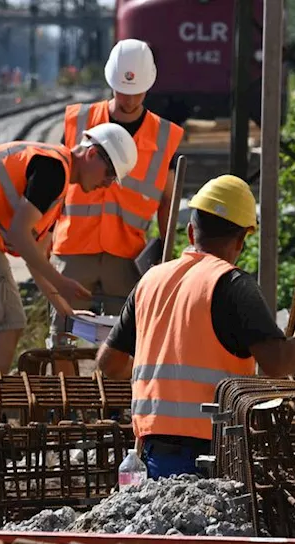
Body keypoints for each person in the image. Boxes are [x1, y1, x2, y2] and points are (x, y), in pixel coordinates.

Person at [96, 175, 295, 479]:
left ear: (192, 231)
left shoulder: (150, 281)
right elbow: (277, 362)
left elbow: (109, 363)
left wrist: (159, 377)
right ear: (241, 240)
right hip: (214, 452)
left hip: (151, 452)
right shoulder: (234, 285)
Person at [0, 123, 138, 455]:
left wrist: (63, 306)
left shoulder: (58, 179)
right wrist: (62, 281)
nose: (107, 184)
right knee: (5, 326)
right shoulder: (53, 171)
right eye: (108, 174)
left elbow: (33, 251)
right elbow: (20, 235)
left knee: (4, 325)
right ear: (92, 154)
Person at [49, 39, 184, 348]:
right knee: (63, 339)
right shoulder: (78, 121)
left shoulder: (164, 136)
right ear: (111, 81)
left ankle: (115, 397)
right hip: (74, 248)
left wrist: (165, 258)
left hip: (127, 255)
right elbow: (55, 184)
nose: (129, 97)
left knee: (124, 345)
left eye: (136, 90)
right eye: (122, 89)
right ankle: (65, 395)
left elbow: (168, 203)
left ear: (148, 85)